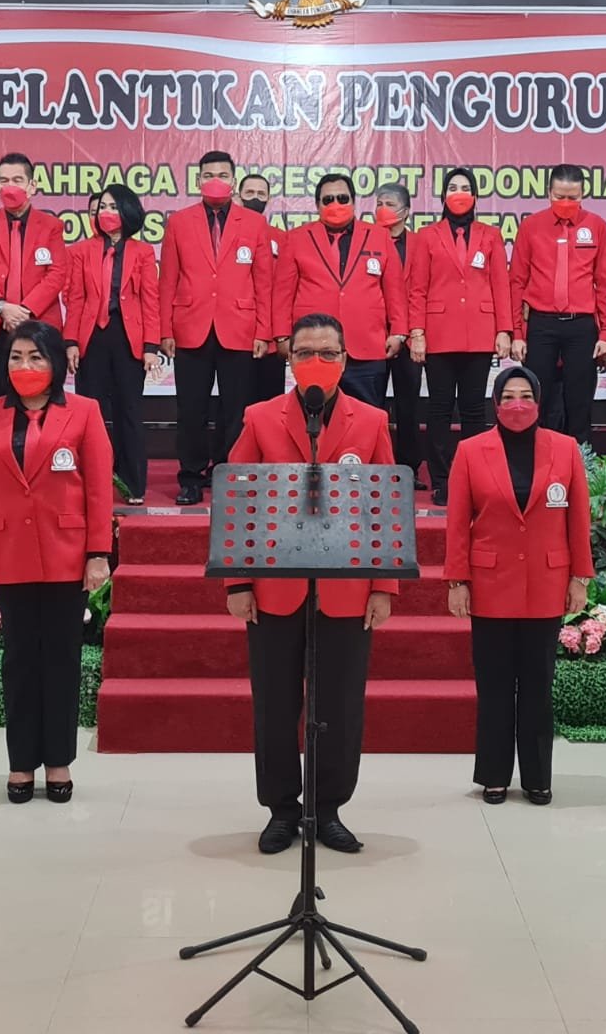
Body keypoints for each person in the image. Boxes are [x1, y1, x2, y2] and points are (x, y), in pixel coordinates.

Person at [225, 313, 397, 856]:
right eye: (304, 353)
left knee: (340, 707)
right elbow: (239, 503)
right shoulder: (260, 418)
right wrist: (238, 582)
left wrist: (383, 587)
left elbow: (385, 510)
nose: (316, 362)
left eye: (327, 352)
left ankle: (327, 809)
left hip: (347, 590)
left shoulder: (371, 421)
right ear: (289, 359)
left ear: (345, 359)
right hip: (275, 587)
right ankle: (281, 809)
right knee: (275, 706)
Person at [0, 321, 113, 804]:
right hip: (9, 554)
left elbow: (98, 488)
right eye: (16, 357)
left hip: (68, 555)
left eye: (36, 357)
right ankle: (21, 763)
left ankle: (59, 761)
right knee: (20, 661)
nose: (24, 366)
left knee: (62, 660)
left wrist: (98, 552)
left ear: (56, 363)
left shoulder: (84, 412)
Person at [445, 365, 593, 805]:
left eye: (525, 395)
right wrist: (457, 580)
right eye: (508, 396)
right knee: (493, 688)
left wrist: (579, 578)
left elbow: (578, 518)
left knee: (537, 688)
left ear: (538, 401)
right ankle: (493, 774)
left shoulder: (564, 449)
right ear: (495, 403)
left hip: (546, 583)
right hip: (490, 583)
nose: (517, 404)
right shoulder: (471, 451)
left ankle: (537, 777)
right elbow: (457, 523)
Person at [161, 151, 274, 506]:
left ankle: (231, 474)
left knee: (236, 410)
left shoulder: (253, 223)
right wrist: (165, 330)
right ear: (197, 181)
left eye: (222, 175)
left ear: (233, 181)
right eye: (208, 174)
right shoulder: (179, 222)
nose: (215, 180)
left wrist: (264, 331)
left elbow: (264, 283)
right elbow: (168, 280)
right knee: (191, 410)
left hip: (239, 328)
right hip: (190, 327)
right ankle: (191, 478)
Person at [407, 168, 511, 505]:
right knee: (439, 409)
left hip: (480, 333)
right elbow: (417, 288)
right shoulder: (427, 236)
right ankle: (441, 480)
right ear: (443, 196)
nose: (459, 193)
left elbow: (501, 285)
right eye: (453, 188)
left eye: (466, 188)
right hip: (438, 333)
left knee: (474, 410)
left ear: (475, 196)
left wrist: (504, 330)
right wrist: (417, 333)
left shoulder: (490, 235)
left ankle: (473, 478)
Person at [274, 174, 407, 406]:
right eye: (328, 200)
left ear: (354, 202)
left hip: (366, 345)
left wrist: (398, 333)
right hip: (314, 347)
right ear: (317, 205)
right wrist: (282, 336)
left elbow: (394, 289)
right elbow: (282, 293)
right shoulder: (296, 238)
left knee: (367, 416)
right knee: (314, 416)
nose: (336, 204)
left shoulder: (379, 236)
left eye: (343, 198)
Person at [508, 165, 606, 445]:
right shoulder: (531, 226)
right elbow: (517, 282)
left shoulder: (597, 226)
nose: (566, 203)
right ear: (548, 193)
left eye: (573, 197)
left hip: (581, 326)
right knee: (537, 399)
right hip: (541, 324)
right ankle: (535, 459)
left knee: (580, 403)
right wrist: (517, 333)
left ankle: (580, 463)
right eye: (560, 197)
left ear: (583, 194)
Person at [65, 183, 160, 505]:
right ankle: (89, 482)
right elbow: (75, 299)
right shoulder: (80, 251)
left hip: (127, 338)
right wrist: (71, 342)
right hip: (91, 337)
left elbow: (150, 300)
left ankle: (132, 483)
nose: (106, 213)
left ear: (128, 212)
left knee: (128, 411)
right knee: (89, 412)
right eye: (102, 207)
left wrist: (150, 346)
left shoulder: (142, 252)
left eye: (113, 207)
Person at [0, 153, 70, 401]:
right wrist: (3, 308)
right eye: (3, 181)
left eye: (17, 180)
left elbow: (56, 273)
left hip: (39, 324)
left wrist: (24, 311)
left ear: (32, 186)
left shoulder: (51, 226)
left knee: (40, 399)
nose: (9, 187)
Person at [373, 183, 428, 489]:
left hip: (408, 336)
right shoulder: (366, 239)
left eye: (390, 204)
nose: (383, 208)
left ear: (406, 211)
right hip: (372, 335)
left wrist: (410, 332)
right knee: (372, 405)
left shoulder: (420, 243)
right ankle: (374, 466)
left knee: (408, 405)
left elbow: (422, 290)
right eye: (379, 203)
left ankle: (408, 467)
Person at [242, 174, 288, 401]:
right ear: (238, 195)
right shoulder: (226, 236)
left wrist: (281, 334)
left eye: (261, 194)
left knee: (271, 403)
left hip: (271, 337)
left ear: (269, 198)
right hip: (236, 335)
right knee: (237, 405)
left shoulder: (281, 238)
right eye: (249, 193)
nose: (255, 198)